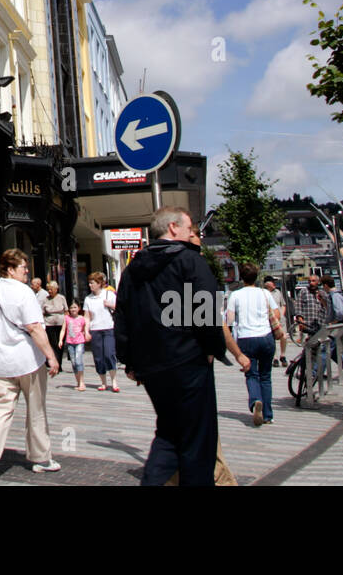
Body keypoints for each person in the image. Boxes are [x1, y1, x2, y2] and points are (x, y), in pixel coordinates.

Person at [115, 206, 227, 487]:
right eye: (190, 228)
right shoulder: (189, 260)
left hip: (151, 367)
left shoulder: (133, 269)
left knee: (168, 431)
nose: (193, 233)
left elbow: (123, 315)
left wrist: (130, 361)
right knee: (197, 440)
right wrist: (212, 348)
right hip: (188, 361)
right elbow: (206, 309)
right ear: (173, 228)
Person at [0, 249, 61, 479]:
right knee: (35, 409)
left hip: (1, 362)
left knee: (1, 409)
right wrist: (51, 356)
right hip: (28, 361)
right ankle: (41, 458)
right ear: (10, 269)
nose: (27, 271)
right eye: (23, 267)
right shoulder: (25, 293)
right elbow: (35, 327)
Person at [225, 265, 280, 426]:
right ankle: (268, 414)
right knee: (266, 376)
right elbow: (276, 313)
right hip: (266, 337)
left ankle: (255, 400)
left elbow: (229, 320)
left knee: (251, 374)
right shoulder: (264, 293)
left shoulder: (235, 295)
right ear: (256, 277)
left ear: (241, 277)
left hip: (246, 338)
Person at [85, 272, 119, 391]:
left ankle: (114, 381)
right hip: (95, 329)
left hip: (109, 328)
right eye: (89, 283)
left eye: (92, 283)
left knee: (109, 354)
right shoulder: (88, 299)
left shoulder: (109, 294)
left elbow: (120, 308)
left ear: (99, 284)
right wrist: (86, 331)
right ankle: (103, 382)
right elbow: (87, 316)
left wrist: (110, 304)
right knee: (98, 357)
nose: (90, 285)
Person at [60, 300, 89, 391]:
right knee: (73, 363)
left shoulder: (82, 318)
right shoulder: (67, 318)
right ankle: (78, 381)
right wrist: (60, 339)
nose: (73, 309)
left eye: (75, 307)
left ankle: (82, 382)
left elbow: (85, 329)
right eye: (71, 307)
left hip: (79, 342)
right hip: (70, 342)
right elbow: (63, 329)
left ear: (79, 308)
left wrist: (87, 334)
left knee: (78, 361)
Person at [263, 276, 288, 367]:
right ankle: (275, 358)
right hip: (269, 320)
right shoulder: (263, 293)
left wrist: (282, 314)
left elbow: (283, 304)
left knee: (284, 337)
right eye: (272, 282)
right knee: (271, 340)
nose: (274, 283)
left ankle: (283, 355)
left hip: (280, 319)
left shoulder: (278, 292)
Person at [41, 281, 67, 361]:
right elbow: (42, 312)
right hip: (49, 324)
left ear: (56, 289)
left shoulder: (61, 298)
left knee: (60, 343)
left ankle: (59, 362)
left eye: (51, 289)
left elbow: (66, 311)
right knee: (53, 343)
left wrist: (66, 323)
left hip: (60, 324)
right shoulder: (45, 299)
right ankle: (55, 360)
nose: (50, 291)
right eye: (48, 289)